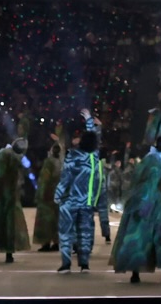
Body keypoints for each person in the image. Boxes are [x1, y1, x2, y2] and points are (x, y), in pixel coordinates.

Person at [109, 137, 161, 284]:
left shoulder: (147, 160)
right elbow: (153, 185)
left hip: (139, 203)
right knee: (159, 239)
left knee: (138, 239)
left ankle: (135, 274)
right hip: (152, 206)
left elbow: (136, 181)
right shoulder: (160, 163)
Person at [54, 110, 102, 273]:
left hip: (70, 200)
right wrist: (89, 120)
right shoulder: (94, 156)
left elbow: (66, 177)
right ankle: (84, 264)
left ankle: (66, 264)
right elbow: (93, 136)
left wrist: (58, 194)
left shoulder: (73, 155)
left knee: (66, 232)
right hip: (87, 201)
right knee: (85, 233)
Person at [0, 136, 33, 264]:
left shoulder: (2, 153)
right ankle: (8, 254)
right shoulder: (16, 158)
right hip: (8, 195)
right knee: (9, 225)